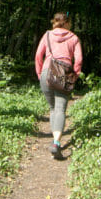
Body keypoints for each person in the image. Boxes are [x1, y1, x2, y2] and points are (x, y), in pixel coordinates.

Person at [35, 12, 83, 160]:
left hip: (46, 73)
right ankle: (56, 142)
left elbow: (38, 56)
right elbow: (79, 60)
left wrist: (40, 74)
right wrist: (75, 75)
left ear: (54, 22)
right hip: (64, 75)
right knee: (61, 108)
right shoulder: (74, 38)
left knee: (52, 108)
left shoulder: (47, 35)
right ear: (67, 23)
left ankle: (54, 140)